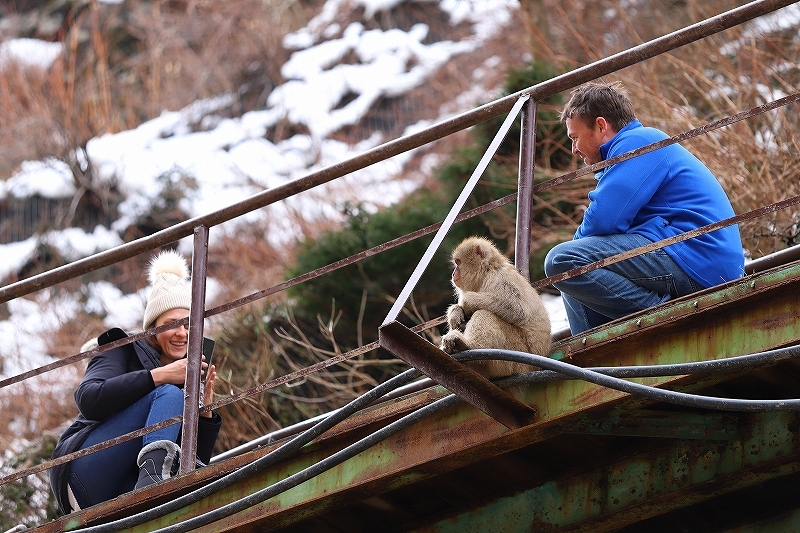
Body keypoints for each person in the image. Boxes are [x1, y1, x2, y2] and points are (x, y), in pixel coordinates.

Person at [544, 81, 744, 335]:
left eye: (575, 138)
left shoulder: (640, 142)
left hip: (698, 260)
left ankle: (665, 319)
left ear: (601, 125)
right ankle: (595, 365)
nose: (574, 149)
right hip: (684, 254)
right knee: (572, 276)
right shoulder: (631, 149)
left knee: (563, 261)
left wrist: (575, 249)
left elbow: (604, 220)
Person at [49, 250, 222, 514]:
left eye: (188, 324)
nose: (182, 333)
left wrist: (205, 411)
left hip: (121, 492)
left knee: (175, 404)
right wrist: (160, 376)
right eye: (171, 324)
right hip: (83, 474)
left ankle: (152, 486)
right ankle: (151, 486)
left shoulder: (189, 371)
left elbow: (196, 462)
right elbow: (88, 398)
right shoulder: (122, 348)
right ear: (153, 326)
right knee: (169, 395)